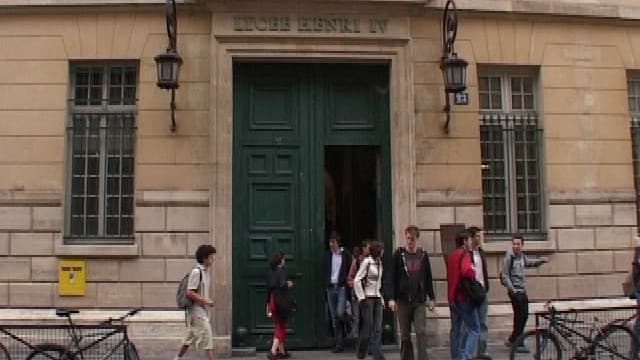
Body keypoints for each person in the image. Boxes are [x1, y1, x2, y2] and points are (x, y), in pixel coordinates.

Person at [387, 225, 436, 360]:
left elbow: (428, 277)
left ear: (417, 239)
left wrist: (431, 298)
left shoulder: (423, 255)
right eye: (408, 238)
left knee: (421, 331)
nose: (410, 242)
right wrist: (391, 298)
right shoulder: (399, 255)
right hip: (403, 301)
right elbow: (391, 277)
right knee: (405, 335)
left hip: (419, 300)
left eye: (412, 239)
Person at [500, 234, 547, 351]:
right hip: (515, 292)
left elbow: (528, 263)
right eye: (514, 244)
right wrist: (513, 291)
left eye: (518, 244)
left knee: (521, 316)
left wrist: (540, 261)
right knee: (522, 315)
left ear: (522, 245)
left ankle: (514, 340)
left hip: (521, 290)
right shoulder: (509, 257)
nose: (516, 246)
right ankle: (517, 341)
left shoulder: (521, 256)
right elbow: (505, 275)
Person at [174, 245, 217, 360]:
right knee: (208, 339)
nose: (213, 259)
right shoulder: (197, 272)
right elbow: (189, 293)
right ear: (204, 258)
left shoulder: (205, 272)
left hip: (201, 310)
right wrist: (206, 301)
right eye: (211, 257)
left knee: (189, 338)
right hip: (196, 311)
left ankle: (177, 358)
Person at [446, 231, 480, 360]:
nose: (471, 242)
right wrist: (473, 271)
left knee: (455, 330)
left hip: (452, 297)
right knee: (474, 328)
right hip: (463, 298)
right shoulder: (464, 254)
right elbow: (467, 272)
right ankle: (466, 356)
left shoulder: (452, 256)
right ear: (465, 241)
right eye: (470, 240)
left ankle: (456, 357)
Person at [460, 226, 491, 360]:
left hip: (482, 292)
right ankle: (464, 352)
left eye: (480, 236)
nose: (480, 238)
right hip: (470, 294)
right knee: (468, 326)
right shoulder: (466, 254)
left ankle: (481, 353)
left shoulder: (481, 253)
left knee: (483, 324)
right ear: (471, 238)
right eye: (477, 236)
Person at [354, 240, 386, 360]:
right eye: (381, 249)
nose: (383, 252)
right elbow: (357, 279)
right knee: (368, 327)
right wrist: (361, 297)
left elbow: (378, 283)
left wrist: (381, 298)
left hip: (377, 297)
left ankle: (378, 355)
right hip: (368, 298)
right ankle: (361, 353)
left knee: (378, 328)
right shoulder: (367, 262)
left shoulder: (379, 263)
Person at [324, 230, 353, 352]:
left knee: (340, 313)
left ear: (338, 243)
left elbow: (351, 266)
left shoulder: (345, 254)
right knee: (334, 318)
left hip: (341, 288)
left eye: (333, 242)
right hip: (330, 288)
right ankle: (339, 344)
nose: (331, 244)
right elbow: (325, 270)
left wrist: (348, 280)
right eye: (330, 242)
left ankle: (349, 324)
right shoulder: (327, 255)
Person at [266, 252, 294, 360]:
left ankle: (281, 351)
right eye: (283, 259)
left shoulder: (270, 272)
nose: (284, 261)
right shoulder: (281, 271)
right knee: (281, 325)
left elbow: (268, 289)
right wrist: (288, 283)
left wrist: (267, 303)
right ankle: (273, 351)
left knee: (279, 323)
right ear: (280, 260)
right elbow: (282, 284)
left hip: (273, 300)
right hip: (280, 300)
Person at [347, 241, 370, 339]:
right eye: (368, 248)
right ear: (364, 248)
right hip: (357, 292)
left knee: (367, 317)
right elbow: (350, 278)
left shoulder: (373, 261)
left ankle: (367, 338)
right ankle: (356, 339)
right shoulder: (356, 261)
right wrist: (356, 285)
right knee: (356, 316)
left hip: (369, 293)